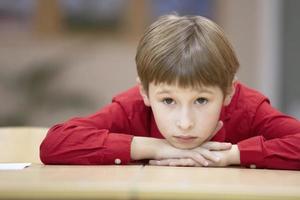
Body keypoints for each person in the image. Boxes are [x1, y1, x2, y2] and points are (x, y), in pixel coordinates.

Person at [40, 14, 300, 170]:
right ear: (145, 92)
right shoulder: (133, 107)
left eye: (201, 100)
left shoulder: (247, 107)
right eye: (167, 100)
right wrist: (156, 148)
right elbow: (55, 144)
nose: (185, 123)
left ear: (229, 91)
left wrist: (229, 156)